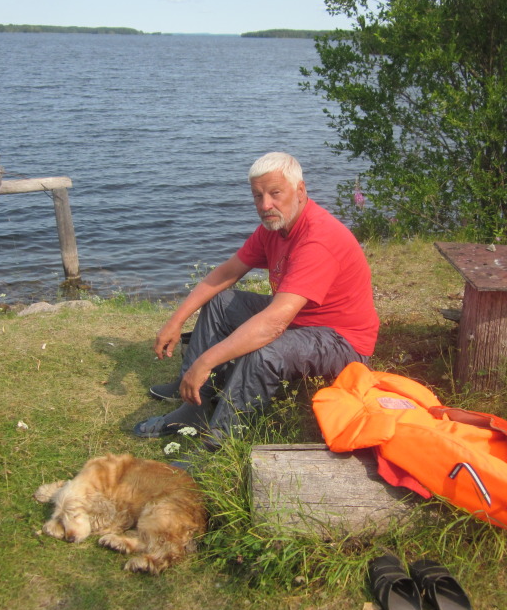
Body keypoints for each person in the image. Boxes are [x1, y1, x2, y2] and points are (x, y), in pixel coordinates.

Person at [133, 152, 379, 448]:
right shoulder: (274, 229)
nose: (265, 206)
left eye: (275, 193)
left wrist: (206, 360)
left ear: (300, 191)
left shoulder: (318, 238)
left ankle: (218, 446)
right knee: (221, 302)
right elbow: (226, 272)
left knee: (265, 349)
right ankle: (193, 408)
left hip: (342, 341)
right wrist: (176, 321)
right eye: (257, 196)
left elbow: (274, 324)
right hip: (300, 321)